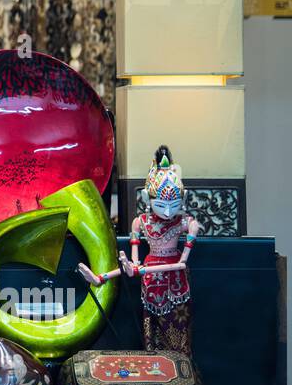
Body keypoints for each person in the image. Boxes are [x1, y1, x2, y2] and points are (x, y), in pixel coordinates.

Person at [79, 145, 201, 355]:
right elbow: (135, 265)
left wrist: (141, 270)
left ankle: (181, 375)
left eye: (174, 204)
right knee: (150, 338)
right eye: (161, 204)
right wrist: (118, 271)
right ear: (147, 199)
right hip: (150, 284)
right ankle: (100, 278)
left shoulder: (186, 223)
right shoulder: (140, 222)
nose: (168, 211)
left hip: (175, 283)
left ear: (183, 198)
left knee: (178, 338)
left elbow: (181, 263)